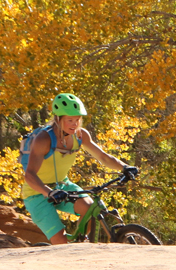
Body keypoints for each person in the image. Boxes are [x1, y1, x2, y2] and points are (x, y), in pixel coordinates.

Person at [21, 93, 139, 245]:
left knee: (90, 208)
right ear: (58, 119)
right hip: (36, 193)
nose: (74, 124)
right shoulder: (43, 139)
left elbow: (103, 157)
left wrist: (124, 167)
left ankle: (80, 243)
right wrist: (49, 193)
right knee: (61, 242)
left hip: (62, 186)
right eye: (70, 120)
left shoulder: (80, 136)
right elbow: (29, 175)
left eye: (77, 120)